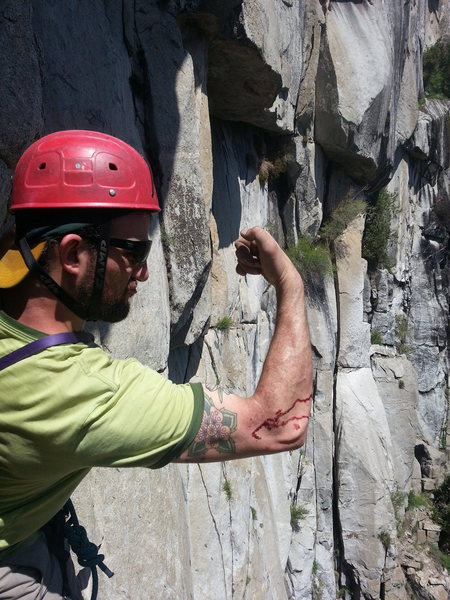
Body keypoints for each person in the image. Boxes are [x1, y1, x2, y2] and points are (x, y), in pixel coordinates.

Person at [0, 130, 313, 600]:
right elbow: (279, 424)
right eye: (135, 251)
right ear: (71, 255)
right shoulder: (79, 392)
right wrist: (290, 283)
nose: (144, 272)